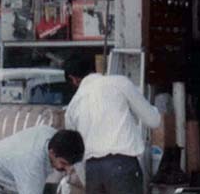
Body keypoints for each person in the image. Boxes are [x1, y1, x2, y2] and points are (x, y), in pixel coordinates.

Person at [62, 56, 161, 194]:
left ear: (73, 79)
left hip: (92, 171)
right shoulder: (119, 83)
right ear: (94, 68)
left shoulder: (73, 106)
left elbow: (75, 153)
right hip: (122, 167)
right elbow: (153, 120)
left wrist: (87, 181)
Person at [0, 126, 84, 194]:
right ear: (52, 153)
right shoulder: (32, 165)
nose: (67, 170)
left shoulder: (52, 136)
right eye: (63, 164)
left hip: (1, 181)